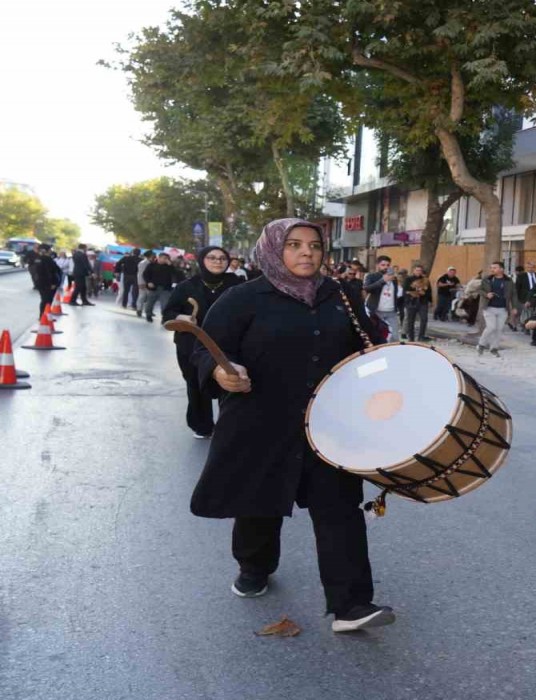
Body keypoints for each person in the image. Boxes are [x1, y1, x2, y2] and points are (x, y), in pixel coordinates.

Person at [190, 217, 394, 633]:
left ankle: (350, 604)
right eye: (295, 245)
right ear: (273, 250)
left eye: (315, 245)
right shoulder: (242, 299)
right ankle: (254, 566)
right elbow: (205, 350)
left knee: (339, 510)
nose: (307, 253)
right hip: (260, 422)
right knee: (259, 505)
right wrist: (220, 373)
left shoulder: (341, 295)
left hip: (330, 425)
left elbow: (370, 344)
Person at [161, 246, 243, 439]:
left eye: (222, 258)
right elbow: (168, 313)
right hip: (191, 345)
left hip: (228, 345)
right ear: (202, 261)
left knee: (231, 385)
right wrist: (183, 317)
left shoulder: (238, 285)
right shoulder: (187, 286)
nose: (217, 261)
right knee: (196, 385)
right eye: (212, 258)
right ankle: (202, 425)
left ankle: (229, 428)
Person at [478, 261, 514, 356]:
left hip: (503, 309)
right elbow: (479, 290)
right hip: (489, 308)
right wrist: (486, 294)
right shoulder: (487, 279)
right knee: (491, 327)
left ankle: (494, 348)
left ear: (501, 269)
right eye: (491, 268)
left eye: (495, 268)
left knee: (499, 329)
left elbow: (513, 294)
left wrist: (514, 307)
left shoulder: (509, 281)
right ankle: (481, 344)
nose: (492, 269)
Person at [363, 255, 402, 342]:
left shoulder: (394, 279)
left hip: (391, 312)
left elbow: (396, 294)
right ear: (378, 265)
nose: (386, 267)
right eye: (383, 265)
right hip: (377, 312)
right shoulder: (372, 276)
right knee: (378, 336)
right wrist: (382, 281)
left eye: (388, 265)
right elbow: (367, 288)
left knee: (395, 337)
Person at [141, 253, 178, 323]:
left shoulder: (169, 267)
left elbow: (175, 273)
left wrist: (170, 265)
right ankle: (148, 315)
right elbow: (145, 274)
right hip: (154, 287)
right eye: (164, 258)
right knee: (150, 302)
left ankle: (164, 318)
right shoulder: (151, 265)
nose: (165, 260)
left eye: (167, 259)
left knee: (165, 304)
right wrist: (148, 282)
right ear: (159, 258)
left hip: (165, 288)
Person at [402, 264, 433, 342]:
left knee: (424, 319)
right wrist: (416, 291)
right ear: (413, 270)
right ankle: (411, 338)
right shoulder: (408, 279)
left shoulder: (425, 280)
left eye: (420, 270)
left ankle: (421, 336)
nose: (418, 272)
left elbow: (429, 291)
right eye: (417, 270)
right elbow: (405, 290)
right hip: (411, 302)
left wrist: (430, 301)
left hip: (423, 302)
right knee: (410, 320)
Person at [32, 244, 61, 318]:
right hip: (47, 284)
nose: (51, 251)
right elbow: (50, 272)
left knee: (45, 300)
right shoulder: (46, 259)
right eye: (50, 249)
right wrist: (53, 283)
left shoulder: (38, 259)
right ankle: (44, 317)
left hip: (42, 283)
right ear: (45, 250)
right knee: (47, 300)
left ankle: (45, 316)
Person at [515, 262, 536, 332]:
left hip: (535, 297)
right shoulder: (521, 276)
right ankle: (525, 327)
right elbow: (517, 288)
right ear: (526, 268)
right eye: (529, 267)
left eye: (532, 267)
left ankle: (532, 326)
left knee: (534, 312)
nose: (531, 269)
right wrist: (518, 298)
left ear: (535, 268)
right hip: (524, 297)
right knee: (526, 312)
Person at [135, 252, 157, 318]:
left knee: (150, 298)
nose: (154, 257)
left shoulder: (153, 263)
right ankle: (139, 310)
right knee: (142, 297)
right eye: (153, 256)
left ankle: (149, 310)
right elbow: (140, 274)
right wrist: (141, 283)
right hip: (143, 283)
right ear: (148, 256)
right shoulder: (143, 263)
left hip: (151, 283)